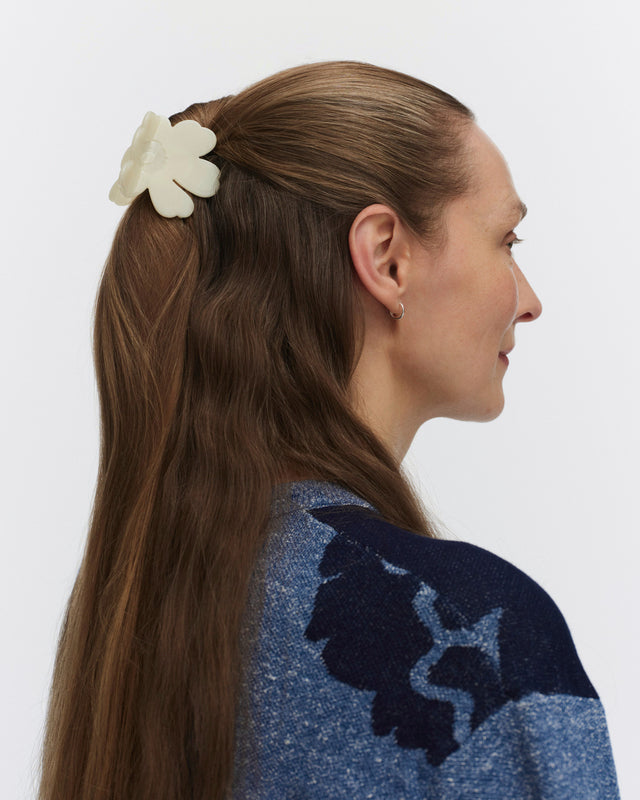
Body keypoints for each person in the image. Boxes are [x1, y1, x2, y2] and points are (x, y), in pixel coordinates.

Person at [37, 61, 620, 799]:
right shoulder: (471, 633)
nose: (529, 301)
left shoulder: (134, 619)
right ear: (386, 258)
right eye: (509, 240)